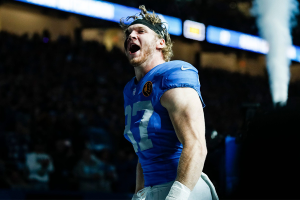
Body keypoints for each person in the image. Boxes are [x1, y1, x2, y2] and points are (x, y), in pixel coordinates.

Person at [120, 5, 218, 200]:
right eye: (129, 33)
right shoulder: (130, 89)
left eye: (141, 31)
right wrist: (139, 194)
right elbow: (144, 152)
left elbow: (196, 145)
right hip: (153, 190)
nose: (131, 36)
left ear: (161, 43)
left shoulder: (172, 74)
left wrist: (177, 195)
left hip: (185, 187)